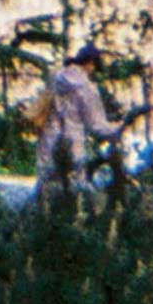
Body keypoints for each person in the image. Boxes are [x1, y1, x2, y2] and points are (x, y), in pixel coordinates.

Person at [32, 46, 116, 199]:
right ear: (90, 63)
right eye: (94, 67)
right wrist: (119, 129)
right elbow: (97, 126)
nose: (93, 72)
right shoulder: (87, 89)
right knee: (75, 193)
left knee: (45, 188)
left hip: (49, 139)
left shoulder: (55, 78)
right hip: (73, 142)